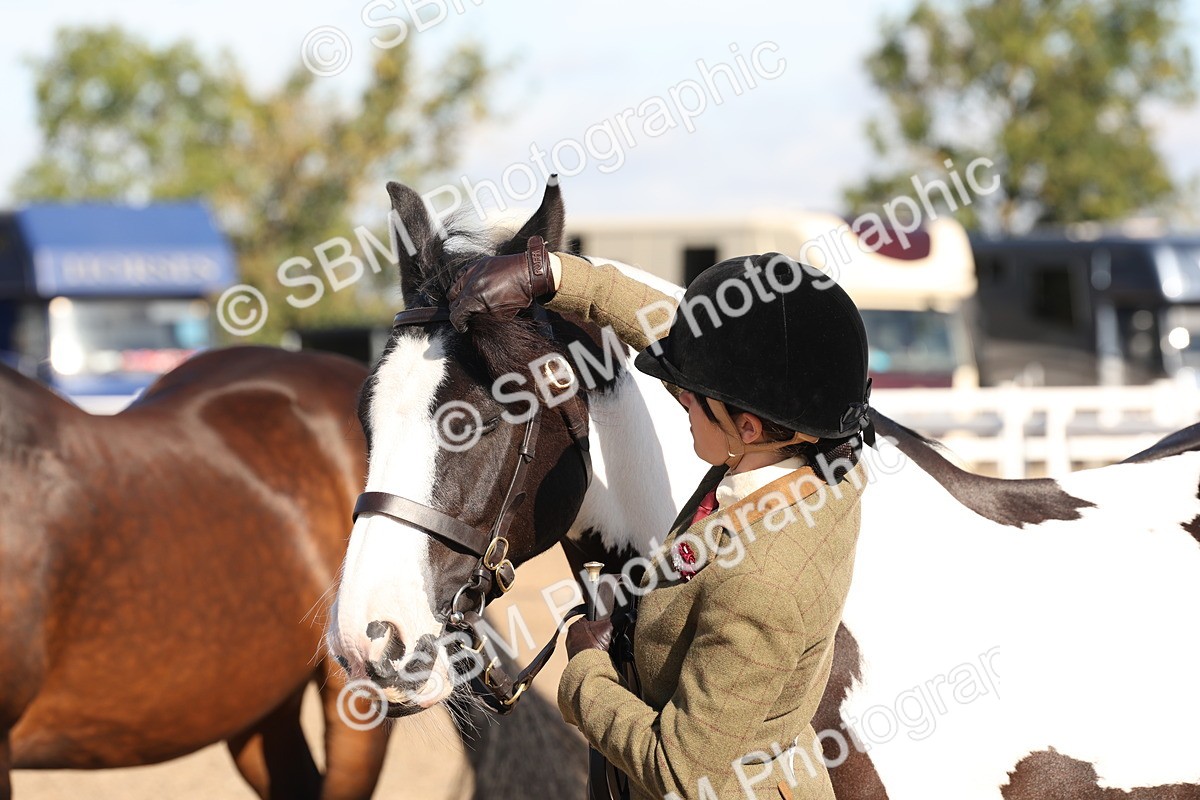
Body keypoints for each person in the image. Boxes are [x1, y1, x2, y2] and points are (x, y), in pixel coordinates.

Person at [448, 236, 873, 800]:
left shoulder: (764, 587)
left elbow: (680, 772)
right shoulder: (809, 452)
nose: (679, 396)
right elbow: (696, 336)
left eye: (692, 396)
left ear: (747, 427)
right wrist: (550, 274)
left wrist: (586, 670)